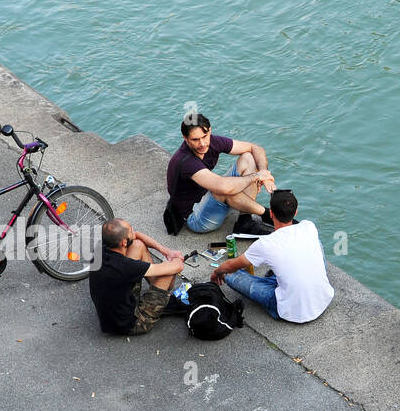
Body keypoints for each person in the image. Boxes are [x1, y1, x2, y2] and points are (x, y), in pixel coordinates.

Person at [208, 189, 334, 323]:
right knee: (315, 242)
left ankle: (275, 284)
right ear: (295, 212)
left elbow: (230, 266)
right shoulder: (309, 226)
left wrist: (217, 272)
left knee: (228, 274)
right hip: (323, 299)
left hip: (290, 311)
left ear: (271, 213)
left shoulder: (265, 243)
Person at [166, 114, 277, 235]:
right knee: (224, 189)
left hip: (207, 197)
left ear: (210, 130)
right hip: (195, 218)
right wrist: (256, 177)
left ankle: (245, 221)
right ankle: (269, 215)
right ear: (185, 138)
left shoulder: (213, 142)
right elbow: (223, 187)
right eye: (195, 140)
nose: (202, 143)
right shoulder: (186, 161)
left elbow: (255, 148)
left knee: (248, 157)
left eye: (204, 136)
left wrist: (265, 174)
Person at [89, 219, 186, 335]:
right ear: (124, 243)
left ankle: (157, 284)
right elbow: (178, 267)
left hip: (110, 314)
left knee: (137, 244)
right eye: (131, 231)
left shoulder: (102, 247)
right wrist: (175, 258)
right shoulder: (126, 267)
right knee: (168, 272)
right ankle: (161, 294)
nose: (134, 233)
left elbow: (138, 236)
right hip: (129, 324)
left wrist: (167, 252)